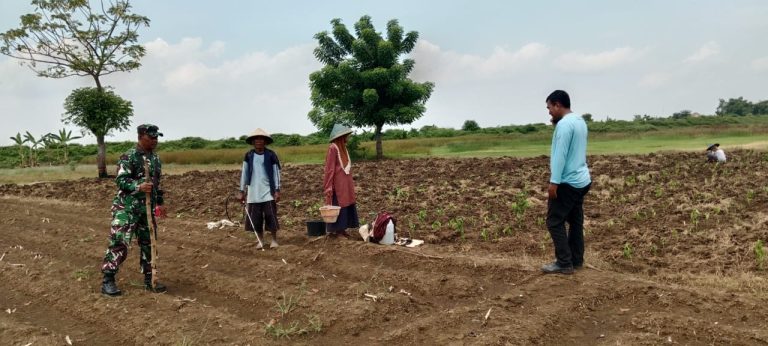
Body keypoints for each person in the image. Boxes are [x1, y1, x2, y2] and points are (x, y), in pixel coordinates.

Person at [101, 124, 168, 296]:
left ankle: (149, 278)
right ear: (141, 136)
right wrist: (138, 186)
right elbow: (121, 181)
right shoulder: (128, 157)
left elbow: (156, 184)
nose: (155, 140)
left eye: (156, 137)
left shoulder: (155, 159)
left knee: (149, 243)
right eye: (151, 137)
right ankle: (108, 280)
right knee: (119, 241)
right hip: (127, 207)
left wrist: (159, 202)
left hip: (147, 209)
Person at [542, 90, 592, 275]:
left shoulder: (563, 125)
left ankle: (564, 263)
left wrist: (554, 182)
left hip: (567, 182)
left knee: (554, 221)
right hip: (582, 180)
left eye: (549, 108)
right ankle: (576, 260)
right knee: (575, 221)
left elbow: (560, 156)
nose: (549, 112)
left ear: (557, 104)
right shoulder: (580, 121)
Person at [238, 128, 281, 249]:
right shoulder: (249, 155)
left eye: (261, 139)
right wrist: (242, 191)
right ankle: (261, 240)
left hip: (268, 191)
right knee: (256, 219)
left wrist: (277, 190)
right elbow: (244, 173)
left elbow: (276, 173)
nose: (259, 141)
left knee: (270, 216)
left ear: (265, 141)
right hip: (253, 192)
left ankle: (274, 240)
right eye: (256, 139)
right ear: (253, 142)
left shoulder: (271, 155)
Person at [323, 124, 360, 237]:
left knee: (347, 203)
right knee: (338, 204)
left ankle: (342, 229)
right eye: (346, 136)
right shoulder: (333, 148)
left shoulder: (343, 148)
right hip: (337, 185)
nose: (348, 138)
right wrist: (328, 186)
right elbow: (329, 169)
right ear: (341, 137)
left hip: (346, 184)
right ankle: (337, 230)